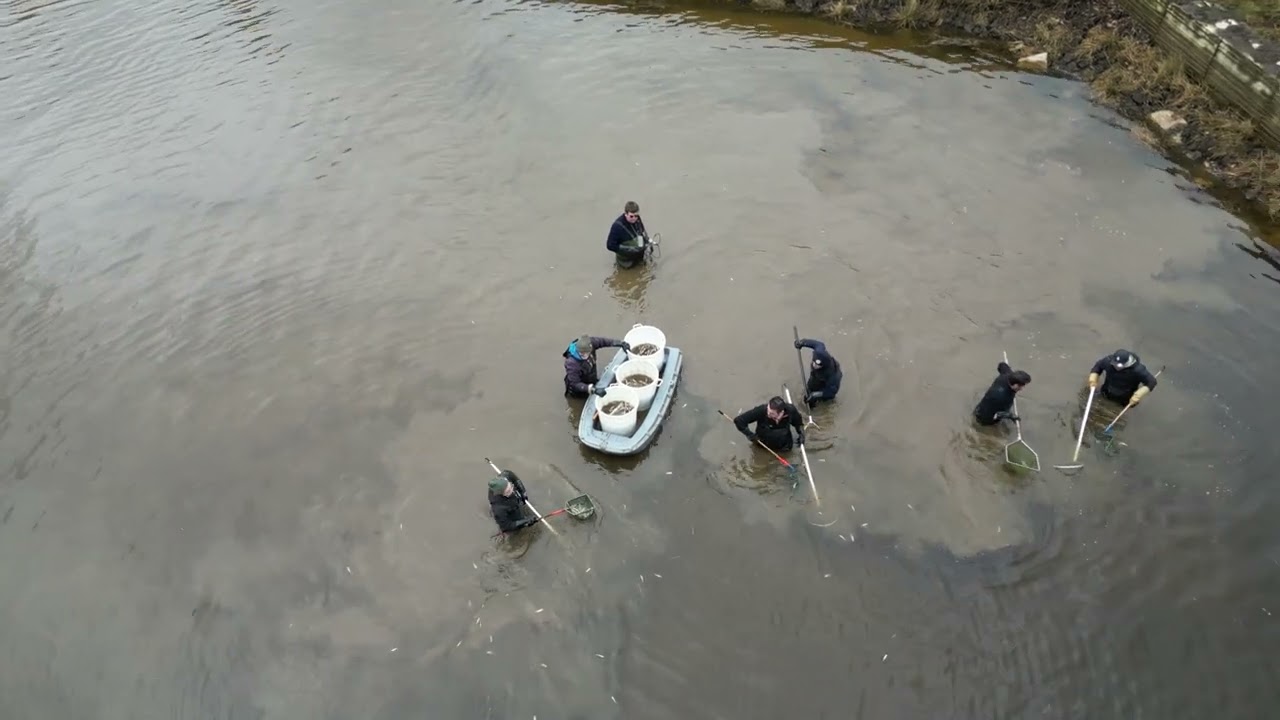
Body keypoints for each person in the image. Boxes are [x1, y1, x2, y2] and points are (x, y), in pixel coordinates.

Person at [563, 332, 630, 397]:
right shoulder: (572, 363)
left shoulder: (591, 343)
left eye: (587, 353)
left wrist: (620, 343)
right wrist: (593, 389)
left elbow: (603, 341)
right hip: (579, 388)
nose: (585, 356)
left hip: (590, 376)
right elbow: (575, 383)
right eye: (582, 354)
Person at [733, 396, 805, 452]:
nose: (768, 413)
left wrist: (801, 434)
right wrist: (750, 435)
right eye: (768, 410)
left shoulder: (790, 410)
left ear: (781, 412)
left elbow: (798, 423)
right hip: (763, 445)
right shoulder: (761, 410)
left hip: (785, 446)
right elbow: (739, 421)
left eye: (772, 413)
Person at [1088, 349, 1158, 405]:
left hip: (1126, 399)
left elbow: (1152, 382)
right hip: (1106, 391)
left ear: (1127, 363)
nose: (1116, 367)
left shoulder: (1138, 370)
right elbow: (1098, 367)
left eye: (1119, 366)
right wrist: (1093, 379)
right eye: (1114, 364)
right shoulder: (1108, 361)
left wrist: (1138, 394)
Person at [972, 360, 1031, 426]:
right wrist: (1010, 416)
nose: (1022, 388)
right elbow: (995, 415)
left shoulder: (1007, 374)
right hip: (984, 416)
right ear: (1015, 384)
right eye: (1021, 386)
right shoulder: (1000, 396)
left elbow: (1002, 365)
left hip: (986, 405)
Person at [794, 337, 843, 406]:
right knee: (808, 393)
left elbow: (832, 391)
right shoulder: (819, 352)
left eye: (817, 365)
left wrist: (816, 395)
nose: (814, 365)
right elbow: (818, 344)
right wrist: (802, 342)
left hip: (825, 386)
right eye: (814, 362)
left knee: (822, 400)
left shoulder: (833, 375)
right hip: (816, 376)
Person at [605, 201, 650, 269]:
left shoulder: (637, 219)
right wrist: (630, 249)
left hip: (639, 255)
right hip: (626, 260)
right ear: (625, 214)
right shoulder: (617, 227)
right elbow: (610, 245)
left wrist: (646, 241)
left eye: (636, 216)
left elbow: (642, 230)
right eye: (631, 216)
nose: (634, 218)